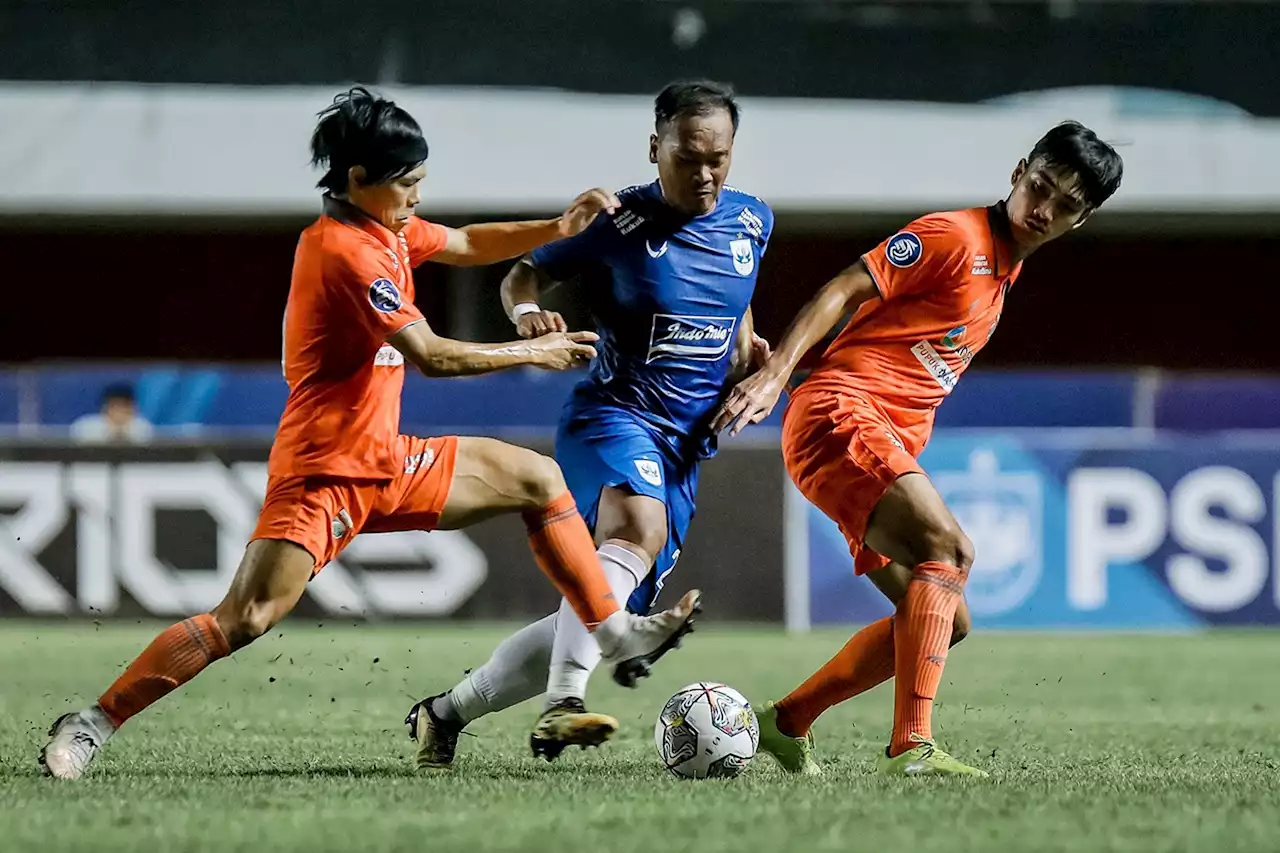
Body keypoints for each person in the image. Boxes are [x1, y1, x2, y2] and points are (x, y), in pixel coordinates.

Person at [40, 87, 701, 780]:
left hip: (388, 460)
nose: (419, 194)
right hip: (323, 476)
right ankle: (92, 722)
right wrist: (531, 353)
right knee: (246, 617)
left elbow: (469, 242)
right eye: (408, 182)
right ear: (359, 179)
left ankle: (613, 629)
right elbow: (434, 356)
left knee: (538, 479)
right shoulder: (343, 254)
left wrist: (559, 224)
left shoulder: (382, 229)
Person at [713, 121, 1123, 777]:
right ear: (1019, 171)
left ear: (1080, 221)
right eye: (1040, 187)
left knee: (942, 618)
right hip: (841, 415)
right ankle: (912, 746)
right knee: (952, 550)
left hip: (860, 434)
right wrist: (775, 372)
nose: (1043, 210)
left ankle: (786, 721)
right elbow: (847, 285)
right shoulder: (952, 236)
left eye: (1065, 206)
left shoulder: (1003, 273)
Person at [406, 80, 773, 769]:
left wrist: (749, 360)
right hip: (615, 415)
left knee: (597, 611)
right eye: (688, 157)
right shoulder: (617, 223)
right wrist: (525, 318)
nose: (704, 174)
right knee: (634, 532)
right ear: (654, 146)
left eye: (718, 159)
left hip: (686, 448)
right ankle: (563, 705)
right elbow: (520, 275)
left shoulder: (753, 221)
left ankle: (443, 713)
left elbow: (737, 309)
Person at [70, 382, 154, 444]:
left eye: (124, 406)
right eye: (114, 406)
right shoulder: (87, 425)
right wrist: (110, 431)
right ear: (104, 408)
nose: (119, 411)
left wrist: (121, 432)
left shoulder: (142, 425)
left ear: (133, 408)